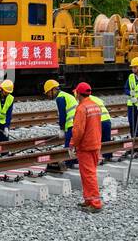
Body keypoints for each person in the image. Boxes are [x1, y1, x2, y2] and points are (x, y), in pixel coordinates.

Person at [69, 82, 104, 212]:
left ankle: (95, 203)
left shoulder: (82, 108)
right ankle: (88, 199)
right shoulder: (95, 106)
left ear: (78, 94)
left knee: (88, 174)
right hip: (95, 143)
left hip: (86, 146)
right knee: (88, 173)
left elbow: (78, 130)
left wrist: (72, 144)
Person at [43, 79, 77, 167]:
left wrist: (62, 129)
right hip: (76, 123)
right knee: (74, 145)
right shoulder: (66, 95)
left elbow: (63, 115)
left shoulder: (60, 98)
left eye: (48, 93)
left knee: (68, 145)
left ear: (53, 89)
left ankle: (69, 163)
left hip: (71, 124)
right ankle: (73, 161)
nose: (48, 95)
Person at [86, 87, 114, 161]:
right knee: (106, 140)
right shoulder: (95, 98)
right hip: (107, 120)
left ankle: (94, 158)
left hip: (99, 121)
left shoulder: (85, 101)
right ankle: (108, 157)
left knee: (95, 141)